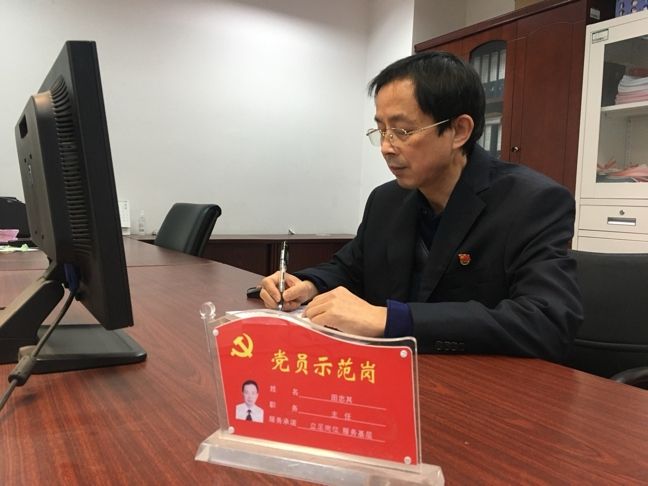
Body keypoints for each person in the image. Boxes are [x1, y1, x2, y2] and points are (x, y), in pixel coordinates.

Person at [259, 51, 582, 361]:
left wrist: (393, 319)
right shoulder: (386, 200)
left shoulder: (532, 201)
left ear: (459, 131)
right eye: (381, 130)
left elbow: (548, 321)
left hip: (479, 385)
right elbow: (351, 268)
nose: (386, 147)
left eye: (402, 131)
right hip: (391, 370)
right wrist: (308, 284)